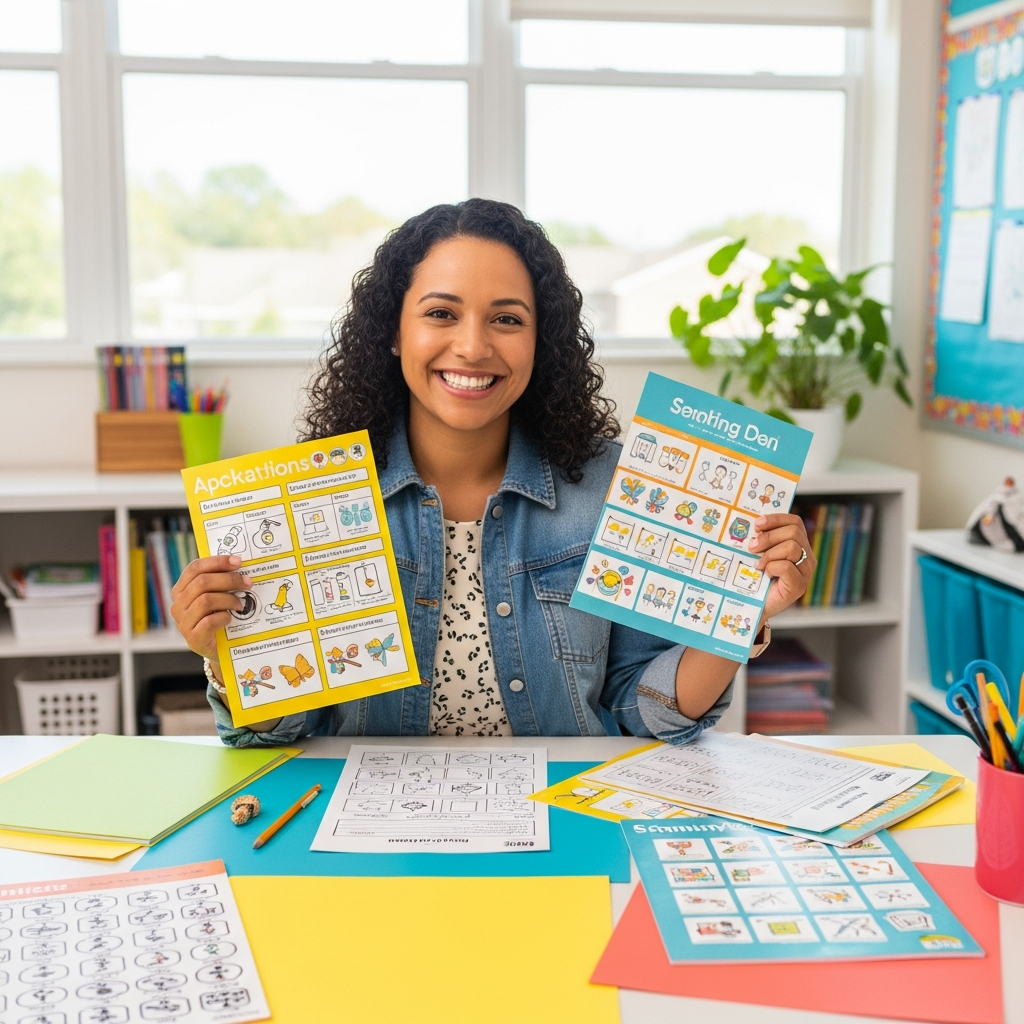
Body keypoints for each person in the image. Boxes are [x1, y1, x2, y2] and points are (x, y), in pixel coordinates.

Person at [170, 198, 816, 747]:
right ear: (393, 332)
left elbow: (644, 716)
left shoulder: (613, 488)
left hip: (565, 832)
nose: (474, 346)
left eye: (507, 319)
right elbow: (280, 735)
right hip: (369, 845)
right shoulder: (313, 501)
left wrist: (739, 620)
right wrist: (225, 655)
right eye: (440, 314)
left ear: (543, 342)